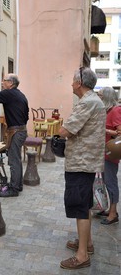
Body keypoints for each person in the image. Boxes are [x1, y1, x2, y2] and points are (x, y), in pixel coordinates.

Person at [58, 67, 106, 270]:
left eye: (72, 80)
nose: (71, 83)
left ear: (80, 83)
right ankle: (88, 243)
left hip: (81, 162)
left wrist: (63, 127)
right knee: (84, 204)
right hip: (86, 161)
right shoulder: (94, 101)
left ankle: (82, 255)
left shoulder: (87, 102)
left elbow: (64, 131)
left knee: (79, 206)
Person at [96, 87, 121, 225]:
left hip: (111, 153)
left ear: (106, 97)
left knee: (111, 183)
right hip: (104, 152)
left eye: (100, 95)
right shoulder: (108, 110)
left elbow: (119, 133)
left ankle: (113, 213)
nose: (98, 98)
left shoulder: (116, 110)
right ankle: (109, 209)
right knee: (106, 182)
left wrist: (103, 128)